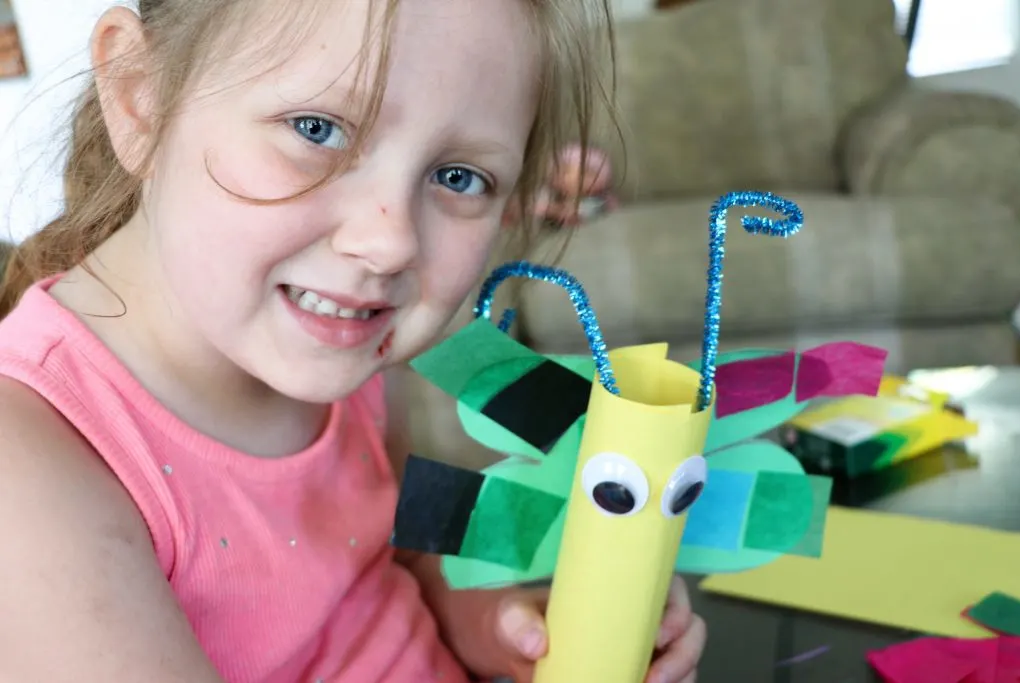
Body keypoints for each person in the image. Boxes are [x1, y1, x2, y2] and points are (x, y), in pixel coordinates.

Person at [0, 1, 707, 682]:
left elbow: (384, 564)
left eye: (459, 177)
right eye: (316, 128)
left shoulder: (336, 341)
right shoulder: (30, 468)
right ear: (138, 98)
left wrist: (507, 627)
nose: (389, 242)